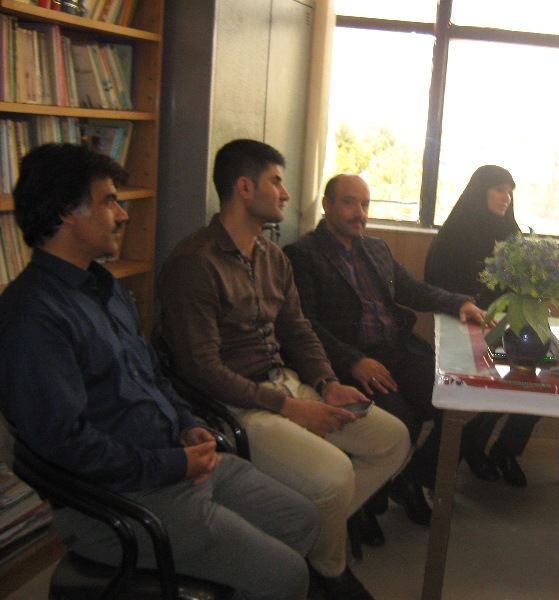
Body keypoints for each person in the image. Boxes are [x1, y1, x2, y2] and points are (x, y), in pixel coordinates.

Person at [0, 143, 320, 600]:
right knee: (287, 575)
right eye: (110, 202)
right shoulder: (34, 315)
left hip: (172, 462)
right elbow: (63, 444)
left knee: (301, 518)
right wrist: (172, 464)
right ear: (68, 212)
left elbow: (152, 376)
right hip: (120, 500)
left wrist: (187, 425)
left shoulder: (105, 287)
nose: (123, 215)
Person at [157, 140, 410, 600]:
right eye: (276, 182)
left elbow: (298, 330)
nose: (286, 194)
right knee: (335, 476)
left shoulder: (271, 257)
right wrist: (289, 408)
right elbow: (202, 369)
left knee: (392, 439)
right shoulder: (194, 263)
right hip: (236, 405)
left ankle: (297, 536)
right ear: (244, 187)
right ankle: (328, 573)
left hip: (289, 384)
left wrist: (327, 383)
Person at [282, 173, 485, 527]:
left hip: (398, 350)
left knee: (466, 400)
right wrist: (354, 361)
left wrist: (460, 303)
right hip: (352, 360)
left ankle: (413, 478)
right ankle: (367, 500)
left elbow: (413, 290)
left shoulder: (375, 248)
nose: (359, 213)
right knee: (400, 422)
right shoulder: (302, 255)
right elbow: (305, 325)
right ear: (327, 205)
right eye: (349, 203)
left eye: (364, 204)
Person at [424, 165, 540, 487]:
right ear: (480, 192)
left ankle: (506, 448)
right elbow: (438, 288)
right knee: (491, 384)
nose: (506, 197)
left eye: (510, 192)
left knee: (541, 372)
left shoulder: (511, 234)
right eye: (499, 189)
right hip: (462, 326)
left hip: (504, 327)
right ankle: (473, 447)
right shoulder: (455, 234)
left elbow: (521, 286)